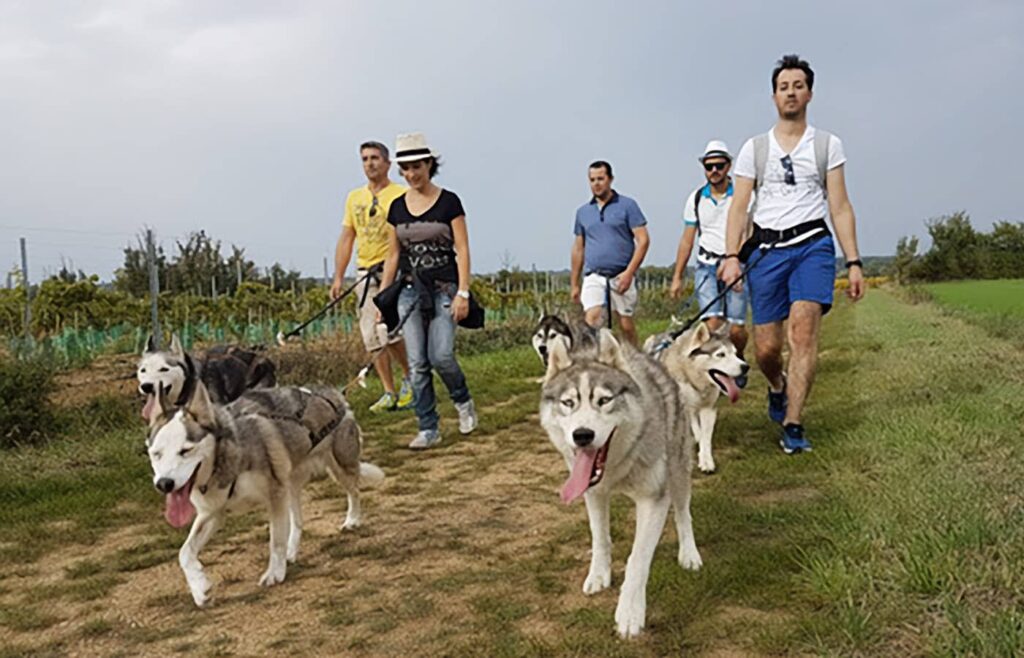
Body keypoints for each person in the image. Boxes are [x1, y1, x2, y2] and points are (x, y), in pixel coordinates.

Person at [718, 54, 865, 455]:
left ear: (809, 93)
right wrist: (732, 255)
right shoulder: (755, 148)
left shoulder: (827, 145)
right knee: (766, 349)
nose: (791, 93)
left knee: (803, 332)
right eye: (784, 87)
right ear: (774, 96)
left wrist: (853, 261)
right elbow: (739, 205)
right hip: (766, 252)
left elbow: (840, 206)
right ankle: (778, 386)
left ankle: (794, 423)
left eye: (798, 86)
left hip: (813, 247)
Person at [377, 132, 478, 450]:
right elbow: (392, 255)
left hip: (445, 287)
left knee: (442, 355)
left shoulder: (449, 202)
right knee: (418, 362)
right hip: (410, 290)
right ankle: (428, 426)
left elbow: (462, 248)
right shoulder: (396, 207)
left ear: (429, 164)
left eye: (416, 166)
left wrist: (463, 293)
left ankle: (462, 400)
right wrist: (383, 299)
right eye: (405, 168)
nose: (410, 174)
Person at [331, 141, 413, 413]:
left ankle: (409, 378)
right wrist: (338, 277)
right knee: (371, 336)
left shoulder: (400, 195)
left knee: (389, 330)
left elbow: (402, 239)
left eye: (375, 158)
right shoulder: (354, 198)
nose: (370, 163)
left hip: (395, 268)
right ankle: (388, 391)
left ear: (387, 163)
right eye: (365, 159)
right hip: (364, 272)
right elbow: (347, 237)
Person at [670, 140, 750, 355]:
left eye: (719, 166)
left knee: (736, 328)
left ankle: (738, 355)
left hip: (736, 264)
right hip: (706, 265)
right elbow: (687, 239)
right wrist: (678, 276)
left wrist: (733, 260)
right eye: (709, 166)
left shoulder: (743, 195)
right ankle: (718, 367)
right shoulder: (696, 199)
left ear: (728, 166)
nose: (714, 171)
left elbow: (748, 232)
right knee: (712, 324)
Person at [570, 161, 650, 345]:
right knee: (592, 318)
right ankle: (593, 362)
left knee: (625, 325)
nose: (596, 184)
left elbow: (643, 240)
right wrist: (575, 283)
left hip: (621, 274)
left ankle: (635, 359)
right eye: (592, 180)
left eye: (600, 179)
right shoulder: (583, 212)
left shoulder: (627, 206)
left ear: (610, 179)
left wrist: (629, 273)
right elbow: (578, 248)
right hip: (594, 275)